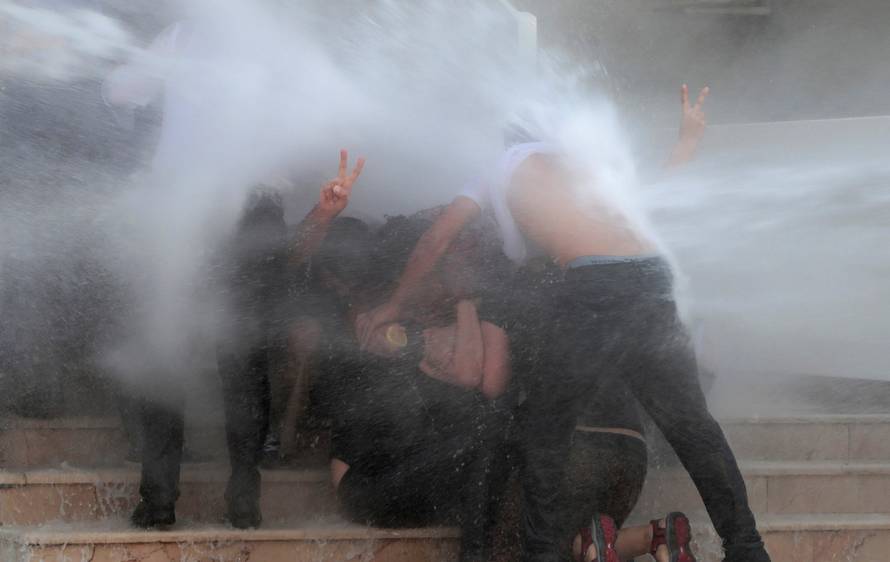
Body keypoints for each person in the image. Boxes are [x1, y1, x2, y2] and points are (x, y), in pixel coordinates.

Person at [357, 85, 771, 562]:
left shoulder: (501, 165)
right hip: (652, 278)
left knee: (546, 428)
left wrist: (392, 305)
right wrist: (687, 141)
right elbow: (658, 196)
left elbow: (434, 241)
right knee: (693, 428)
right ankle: (747, 548)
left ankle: (541, 553)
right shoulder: (586, 163)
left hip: (595, 286)